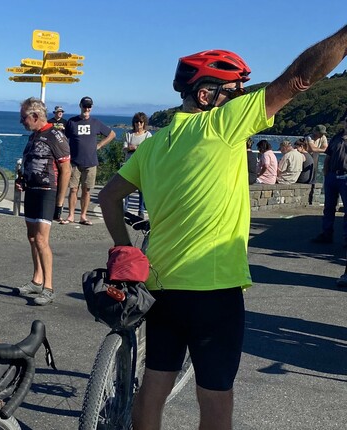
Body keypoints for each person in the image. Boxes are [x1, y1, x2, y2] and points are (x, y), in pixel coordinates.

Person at [98, 26, 347, 430]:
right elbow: (301, 78)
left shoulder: (152, 146)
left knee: (154, 386)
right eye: (234, 92)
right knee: (215, 398)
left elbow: (108, 197)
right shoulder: (221, 125)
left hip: (158, 285)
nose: (242, 100)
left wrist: (126, 250)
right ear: (206, 95)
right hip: (214, 290)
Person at [14, 97, 71, 306]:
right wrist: (22, 179)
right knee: (31, 237)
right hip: (32, 191)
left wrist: (59, 203)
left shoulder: (55, 135)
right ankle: (37, 280)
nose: (22, 122)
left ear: (35, 116)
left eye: (23, 118)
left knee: (41, 239)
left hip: (48, 192)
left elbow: (66, 169)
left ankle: (49, 287)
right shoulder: (34, 136)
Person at [63, 96, 116, 225]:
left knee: (87, 190)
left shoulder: (96, 123)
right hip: (74, 162)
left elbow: (112, 134)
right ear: (80, 106)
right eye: (85, 106)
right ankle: (70, 215)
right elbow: (63, 138)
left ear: (91, 108)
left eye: (89, 106)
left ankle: (83, 216)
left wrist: (99, 145)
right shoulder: (72, 122)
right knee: (73, 189)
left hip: (91, 162)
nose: (87, 108)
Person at [312, 112, 347, 245]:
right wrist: (326, 174)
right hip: (332, 176)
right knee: (328, 207)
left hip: (345, 177)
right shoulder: (336, 138)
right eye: (346, 121)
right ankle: (327, 234)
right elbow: (328, 156)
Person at [123, 112, 153, 216]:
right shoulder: (129, 134)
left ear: (144, 123)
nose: (138, 124)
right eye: (136, 122)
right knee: (126, 188)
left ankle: (141, 211)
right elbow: (125, 148)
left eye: (141, 122)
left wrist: (134, 148)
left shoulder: (148, 135)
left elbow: (148, 150)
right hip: (129, 164)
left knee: (141, 189)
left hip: (142, 165)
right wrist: (136, 148)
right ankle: (125, 209)